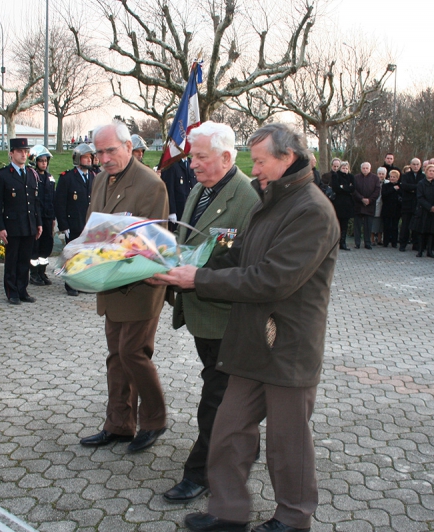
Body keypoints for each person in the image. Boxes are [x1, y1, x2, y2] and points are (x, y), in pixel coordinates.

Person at [153, 123, 339, 532]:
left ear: (287, 158)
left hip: (287, 345)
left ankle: (293, 518)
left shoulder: (312, 209)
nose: (252, 169)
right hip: (250, 340)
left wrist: (197, 281)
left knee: (288, 443)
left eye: (259, 161)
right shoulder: (270, 200)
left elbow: (272, 279)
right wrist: (181, 270)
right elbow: (237, 256)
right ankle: (228, 512)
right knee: (229, 430)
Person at [159, 122, 260, 504]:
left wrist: (193, 277)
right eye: (192, 156)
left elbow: (243, 262)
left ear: (227, 157)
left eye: (201, 157)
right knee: (224, 392)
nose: (194, 164)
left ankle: (200, 473)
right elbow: (193, 243)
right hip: (202, 312)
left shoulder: (247, 197)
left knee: (216, 398)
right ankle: (245, 449)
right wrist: (166, 271)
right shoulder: (201, 189)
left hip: (227, 317)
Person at [79, 121, 170, 453]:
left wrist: (107, 248)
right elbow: (94, 226)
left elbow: (151, 243)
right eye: (99, 151)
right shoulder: (101, 179)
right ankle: (118, 425)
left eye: (110, 150)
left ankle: (154, 420)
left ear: (129, 148)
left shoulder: (150, 184)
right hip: (110, 284)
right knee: (116, 357)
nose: (103, 158)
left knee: (134, 354)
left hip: (139, 285)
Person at [0, 138, 43, 304]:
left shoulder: (31, 174)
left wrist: (39, 223)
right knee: (12, 260)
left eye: (25, 151)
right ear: (11, 153)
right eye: (20, 151)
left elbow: (35, 202)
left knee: (24, 260)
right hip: (12, 225)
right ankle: (12, 292)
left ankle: (23, 290)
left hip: (28, 224)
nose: (23, 154)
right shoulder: (4, 175)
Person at [55, 143, 96, 296]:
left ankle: (82, 282)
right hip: (73, 224)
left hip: (88, 224)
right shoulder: (67, 178)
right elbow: (60, 203)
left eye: (90, 157)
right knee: (72, 255)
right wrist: (64, 225)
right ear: (78, 158)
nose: (89, 160)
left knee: (86, 256)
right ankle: (71, 284)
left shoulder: (93, 177)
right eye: (86, 157)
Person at [27, 145, 56, 286]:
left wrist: (53, 218)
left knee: (46, 245)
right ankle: (33, 273)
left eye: (46, 160)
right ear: (34, 161)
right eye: (41, 160)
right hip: (35, 217)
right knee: (35, 246)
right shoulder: (31, 177)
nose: (44, 163)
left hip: (48, 217)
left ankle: (42, 271)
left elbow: (53, 198)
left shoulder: (50, 178)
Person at [160, 156, 197, 230]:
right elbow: (168, 188)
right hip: (178, 209)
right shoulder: (171, 164)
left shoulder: (191, 163)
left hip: (190, 208)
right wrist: (171, 211)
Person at [414, 163, 434, 258]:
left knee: (432, 232)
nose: (431, 172)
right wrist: (429, 207)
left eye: (433, 171)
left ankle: (430, 251)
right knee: (422, 231)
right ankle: (420, 250)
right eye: (430, 171)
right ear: (426, 172)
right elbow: (420, 197)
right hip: (423, 211)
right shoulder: (421, 183)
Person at [352, 162, 380, 249]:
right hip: (358, 205)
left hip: (370, 205)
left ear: (370, 168)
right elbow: (354, 190)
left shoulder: (375, 178)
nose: (365, 170)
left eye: (366, 168)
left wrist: (369, 200)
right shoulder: (356, 177)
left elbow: (377, 190)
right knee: (357, 225)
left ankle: (367, 243)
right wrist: (361, 199)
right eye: (363, 168)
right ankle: (357, 243)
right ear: (361, 169)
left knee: (368, 226)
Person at [399, 158, 424, 251]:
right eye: (414, 164)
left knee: (417, 226)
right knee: (405, 225)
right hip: (407, 204)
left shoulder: (423, 176)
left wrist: (412, 188)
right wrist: (416, 187)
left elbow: (423, 187)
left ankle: (416, 244)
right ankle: (402, 244)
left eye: (417, 164)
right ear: (410, 165)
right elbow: (404, 186)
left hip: (418, 204)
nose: (416, 166)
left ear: (420, 165)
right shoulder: (405, 176)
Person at [331, 161, 355, 251]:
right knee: (337, 224)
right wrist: (346, 187)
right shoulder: (336, 175)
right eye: (343, 168)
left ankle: (343, 243)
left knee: (344, 224)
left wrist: (343, 187)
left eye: (346, 168)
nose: (345, 170)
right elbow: (336, 188)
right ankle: (334, 243)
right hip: (338, 203)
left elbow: (353, 188)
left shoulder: (351, 176)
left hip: (347, 204)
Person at [381, 169, 402, 247]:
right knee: (386, 226)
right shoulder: (385, 185)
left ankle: (394, 242)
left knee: (395, 227)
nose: (392, 178)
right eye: (391, 177)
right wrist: (393, 189)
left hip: (396, 209)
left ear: (398, 178)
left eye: (394, 177)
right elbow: (384, 194)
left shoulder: (400, 186)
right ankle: (385, 242)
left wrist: (398, 189)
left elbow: (402, 195)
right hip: (387, 209)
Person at [371, 167, 387, 246]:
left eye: (383, 174)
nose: (381, 175)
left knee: (381, 224)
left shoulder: (387, 182)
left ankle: (380, 239)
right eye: (379, 174)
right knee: (374, 223)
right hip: (375, 204)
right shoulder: (373, 182)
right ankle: (372, 239)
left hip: (384, 205)